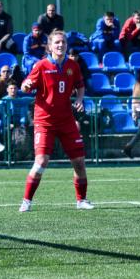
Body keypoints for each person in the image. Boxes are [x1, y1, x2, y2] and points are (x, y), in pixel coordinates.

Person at [18, 30, 93, 212]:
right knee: (41, 161)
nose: (61, 45)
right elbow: (25, 85)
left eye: (63, 43)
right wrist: (26, 86)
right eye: (57, 43)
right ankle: (26, 201)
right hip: (44, 121)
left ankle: (81, 200)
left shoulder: (72, 66)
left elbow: (80, 85)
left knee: (79, 162)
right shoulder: (41, 66)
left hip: (66, 120)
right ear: (50, 46)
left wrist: (80, 100)